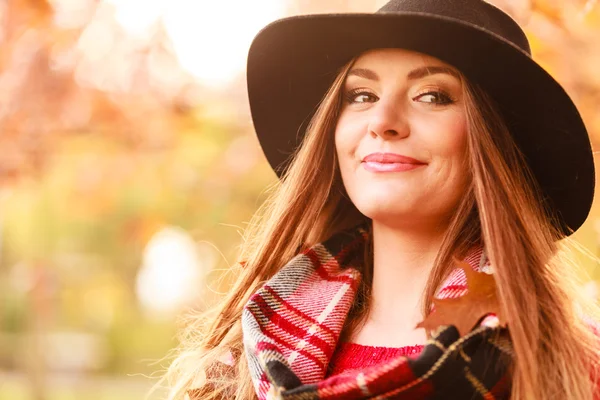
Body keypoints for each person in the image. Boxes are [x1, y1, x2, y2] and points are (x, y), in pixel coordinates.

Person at [164, 0, 600, 399]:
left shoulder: (573, 368)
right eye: (362, 96)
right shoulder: (239, 364)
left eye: (432, 96)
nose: (382, 121)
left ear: (495, 144)